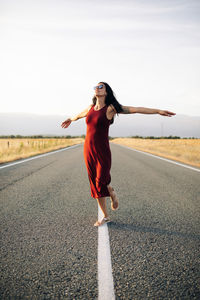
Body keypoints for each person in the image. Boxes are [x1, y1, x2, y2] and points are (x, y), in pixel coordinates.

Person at [61, 82, 176, 226]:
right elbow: (78, 115)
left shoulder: (110, 109)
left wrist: (158, 111)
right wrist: (71, 119)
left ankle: (111, 192)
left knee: (101, 180)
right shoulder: (90, 108)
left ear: (106, 92)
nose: (97, 88)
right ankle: (105, 216)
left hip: (102, 150)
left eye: (101, 86)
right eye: (95, 87)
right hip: (88, 149)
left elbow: (135, 109)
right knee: (95, 183)